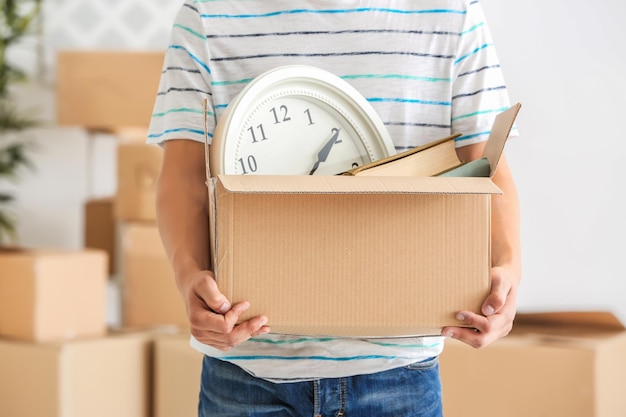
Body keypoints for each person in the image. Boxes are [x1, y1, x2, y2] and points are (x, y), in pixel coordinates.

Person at [147, 1, 521, 416]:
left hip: (398, 373)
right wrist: (187, 277)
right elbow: (183, 175)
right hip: (248, 373)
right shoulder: (208, 15)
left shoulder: (453, 14)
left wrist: (508, 269)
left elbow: (488, 166)